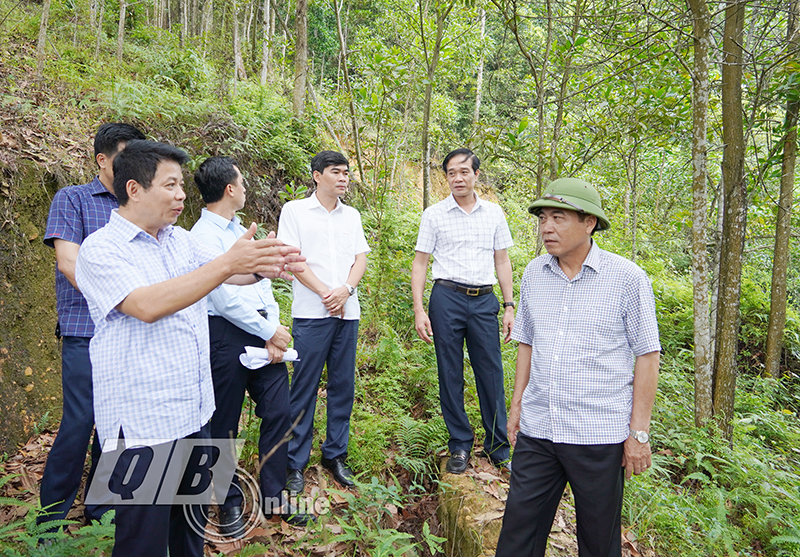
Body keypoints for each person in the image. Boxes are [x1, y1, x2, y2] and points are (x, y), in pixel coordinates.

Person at [75, 140, 303, 557]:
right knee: (141, 542)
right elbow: (145, 305)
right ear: (134, 189)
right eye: (171, 185)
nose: (182, 195)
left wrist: (263, 265)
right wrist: (227, 265)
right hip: (143, 426)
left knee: (190, 535)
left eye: (182, 185)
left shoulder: (180, 240)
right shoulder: (101, 249)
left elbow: (228, 275)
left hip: (195, 414)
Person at [495, 178, 661, 557]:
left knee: (598, 542)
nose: (546, 228)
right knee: (517, 537)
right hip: (539, 429)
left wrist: (638, 433)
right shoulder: (534, 274)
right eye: (542, 219)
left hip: (597, 435)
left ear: (589, 223)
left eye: (558, 217)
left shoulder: (627, 279)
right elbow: (527, 343)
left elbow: (647, 356)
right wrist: (517, 404)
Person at [191, 156, 312, 530]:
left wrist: (273, 327)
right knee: (224, 420)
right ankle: (226, 502)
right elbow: (221, 297)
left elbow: (265, 284)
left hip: (265, 332)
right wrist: (266, 332)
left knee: (278, 411)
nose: (245, 188)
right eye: (242, 182)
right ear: (230, 189)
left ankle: (275, 497)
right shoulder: (202, 237)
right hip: (226, 336)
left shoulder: (241, 232)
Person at [40, 122, 145, 529]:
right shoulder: (74, 199)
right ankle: (50, 522)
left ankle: (101, 511)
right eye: (124, 158)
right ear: (102, 160)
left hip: (131, 331)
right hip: (86, 328)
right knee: (81, 421)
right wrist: (123, 298)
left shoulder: (138, 206)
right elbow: (68, 262)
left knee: (118, 424)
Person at [411, 148, 514, 474]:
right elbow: (420, 263)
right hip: (446, 298)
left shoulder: (494, 214)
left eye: (464, 172)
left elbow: (502, 260)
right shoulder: (434, 214)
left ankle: (498, 447)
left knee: (491, 372)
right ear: (446, 177)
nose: (458, 178)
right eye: (452, 173)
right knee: (449, 372)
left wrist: (510, 305)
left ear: (476, 175)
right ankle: (459, 444)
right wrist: (419, 308)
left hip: (484, 300)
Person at [276, 150, 370, 493]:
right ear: (317, 175)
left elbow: (360, 258)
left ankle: (335, 455)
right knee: (304, 388)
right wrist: (325, 294)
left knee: (343, 386)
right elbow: (292, 260)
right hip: (312, 314)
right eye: (335, 172)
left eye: (346, 173)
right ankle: (295, 463)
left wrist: (345, 290)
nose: (343, 178)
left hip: (348, 312)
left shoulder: (352, 216)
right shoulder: (296, 211)